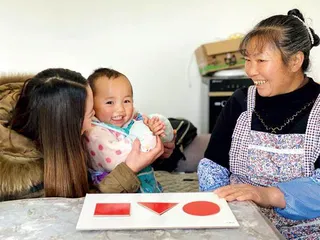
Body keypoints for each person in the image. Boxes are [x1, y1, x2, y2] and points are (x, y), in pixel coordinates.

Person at [197, 9, 320, 239]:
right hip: (243, 224)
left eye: (261, 60)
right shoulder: (240, 101)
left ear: (295, 61)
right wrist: (218, 207)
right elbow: (214, 165)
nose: (251, 71)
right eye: (247, 60)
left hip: (308, 231)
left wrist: (264, 194)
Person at [0, 68, 168, 201]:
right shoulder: (26, 183)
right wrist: (129, 170)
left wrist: (159, 147)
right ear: (65, 127)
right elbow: (80, 207)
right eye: (90, 117)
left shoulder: (45, 98)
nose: (92, 125)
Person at [85, 68, 174, 193]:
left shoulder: (131, 118)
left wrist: (158, 126)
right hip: (118, 194)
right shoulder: (94, 133)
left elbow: (150, 128)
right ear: (91, 105)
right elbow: (122, 158)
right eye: (110, 102)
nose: (120, 109)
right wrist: (149, 133)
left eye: (126, 101)